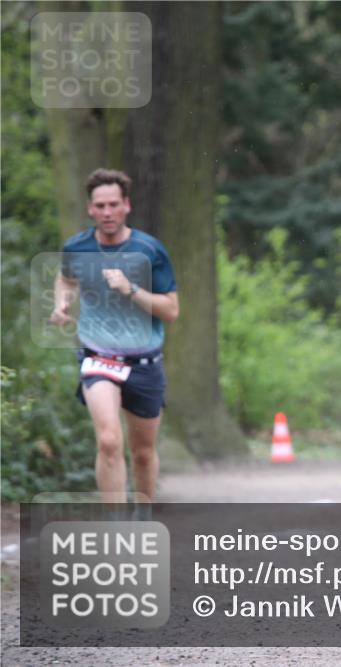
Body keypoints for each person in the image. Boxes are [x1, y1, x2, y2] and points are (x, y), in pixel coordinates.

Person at [50, 169, 179, 519]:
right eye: (100, 206)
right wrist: (62, 303)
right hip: (99, 358)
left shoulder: (149, 250)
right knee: (108, 441)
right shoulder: (77, 247)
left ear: (126, 206)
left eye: (113, 205)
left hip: (144, 362)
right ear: (90, 209)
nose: (107, 212)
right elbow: (66, 279)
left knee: (142, 452)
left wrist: (131, 289)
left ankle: (143, 515)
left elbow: (171, 310)